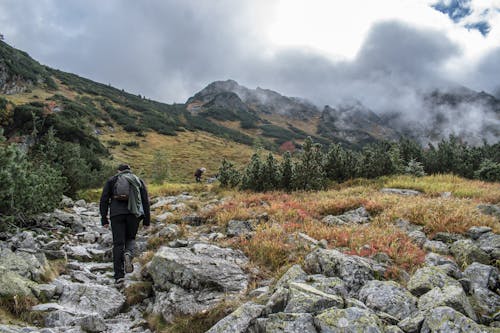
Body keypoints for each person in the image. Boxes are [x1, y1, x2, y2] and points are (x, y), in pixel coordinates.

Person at [99, 164, 150, 286]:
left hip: (116, 214)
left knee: (118, 244)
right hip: (133, 214)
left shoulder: (112, 180)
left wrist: (104, 219)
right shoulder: (138, 180)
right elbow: (145, 201)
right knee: (131, 238)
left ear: (118, 171)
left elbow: (104, 200)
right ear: (130, 171)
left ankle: (119, 276)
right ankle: (128, 254)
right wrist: (146, 221)